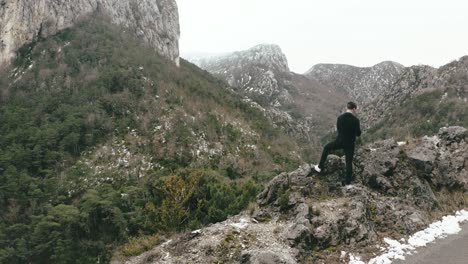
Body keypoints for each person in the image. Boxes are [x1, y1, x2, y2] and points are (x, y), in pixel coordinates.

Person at [314, 102, 362, 184]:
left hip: (339, 141)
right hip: (350, 144)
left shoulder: (340, 118)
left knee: (326, 147)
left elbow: (339, 130)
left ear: (347, 107)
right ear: (354, 109)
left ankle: (319, 167)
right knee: (349, 162)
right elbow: (358, 134)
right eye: (355, 109)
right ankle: (348, 183)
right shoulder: (356, 120)